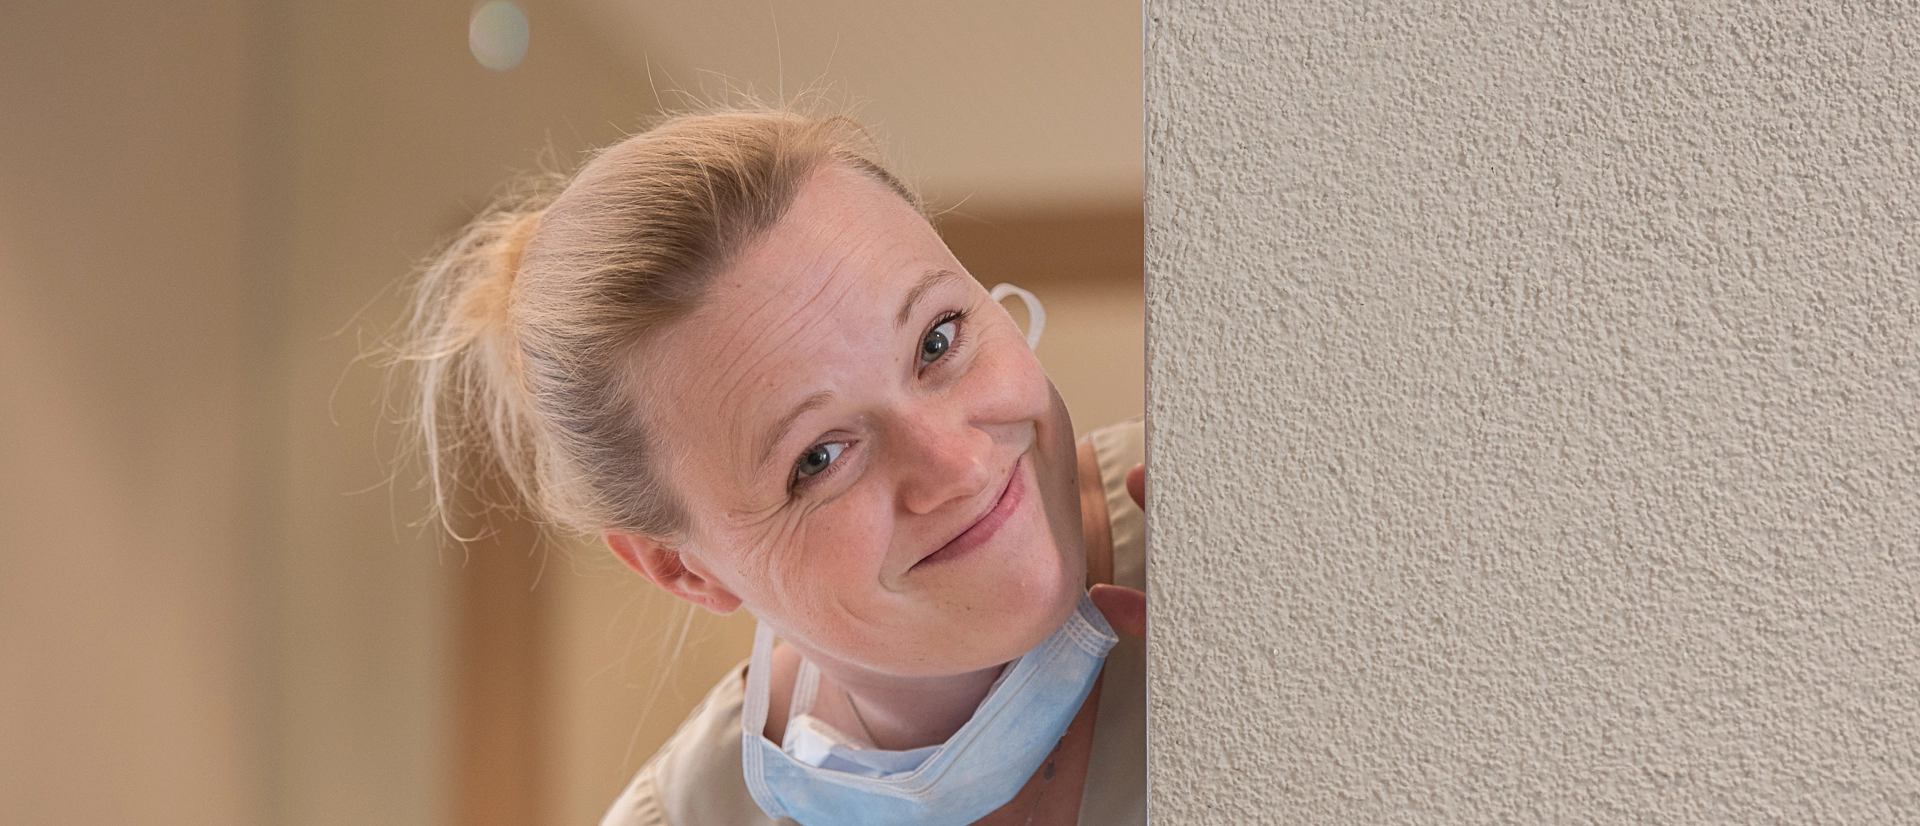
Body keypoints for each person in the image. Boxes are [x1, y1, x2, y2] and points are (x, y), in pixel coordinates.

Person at [401, 108, 1146, 826]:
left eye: (938, 341)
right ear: (681, 569)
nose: (957, 464)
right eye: (819, 459)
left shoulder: (1236, 519)